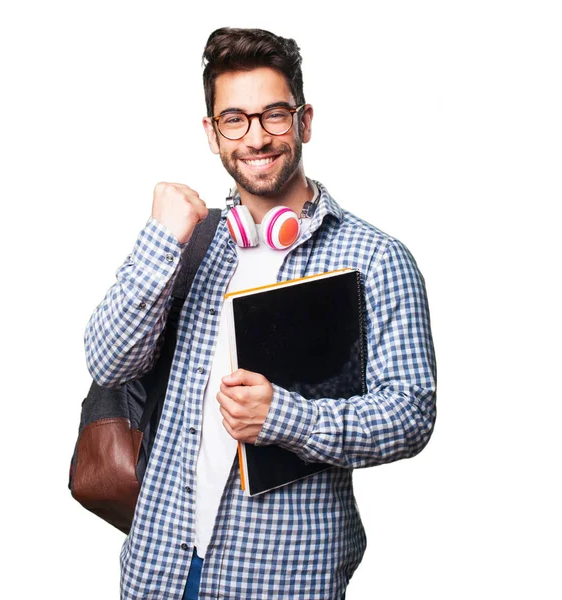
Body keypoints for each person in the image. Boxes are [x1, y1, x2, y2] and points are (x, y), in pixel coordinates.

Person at [85, 27, 437, 600]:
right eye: (235, 119)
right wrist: (159, 241)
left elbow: (410, 414)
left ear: (304, 121)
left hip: (281, 577)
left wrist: (285, 418)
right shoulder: (187, 242)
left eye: (275, 115)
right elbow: (108, 359)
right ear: (212, 132)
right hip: (159, 568)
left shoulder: (376, 259)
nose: (257, 137)